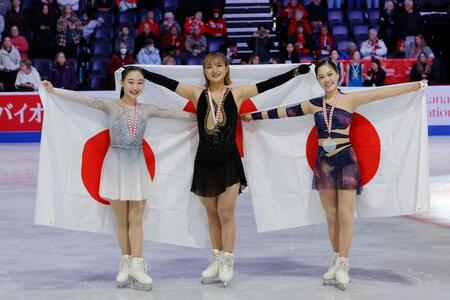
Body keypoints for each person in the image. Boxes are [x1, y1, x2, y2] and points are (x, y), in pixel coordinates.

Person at [245, 60, 425, 291]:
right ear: (318, 81)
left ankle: (344, 264)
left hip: (346, 161)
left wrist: (414, 87)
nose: (326, 79)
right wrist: (255, 116)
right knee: (331, 216)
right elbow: (285, 111)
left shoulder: (351, 99)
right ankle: (336, 258)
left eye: (330, 74)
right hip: (324, 164)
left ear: (337, 75)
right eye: (321, 77)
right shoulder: (313, 104)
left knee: (345, 215)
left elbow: (383, 94)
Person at [139, 52, 311, 287]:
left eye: (219, 65)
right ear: (204, 71)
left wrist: (294, 73)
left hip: (229, 160)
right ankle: (217, 257)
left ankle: (228, 260)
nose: (215, 70)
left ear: (227, 68)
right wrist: (144, 73)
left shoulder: (237, 94)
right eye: (209, 67)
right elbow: (167, 84)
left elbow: (268, 85)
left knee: (226, 213)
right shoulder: (196, 93)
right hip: (204, 162)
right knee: (211, 215)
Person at [42, 66, 194, 291]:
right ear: (122, 83)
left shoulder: (148, 109)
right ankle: (125, 262)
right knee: (121, 220)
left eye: (140, 83)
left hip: (137, 167)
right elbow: (84, 100)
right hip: (115, 166)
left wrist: (207, 114)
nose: (135, 86)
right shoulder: (109, 105)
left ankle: (138, 265)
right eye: (131, 82)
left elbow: (177, 115)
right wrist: (54, 91)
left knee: (137, 218)